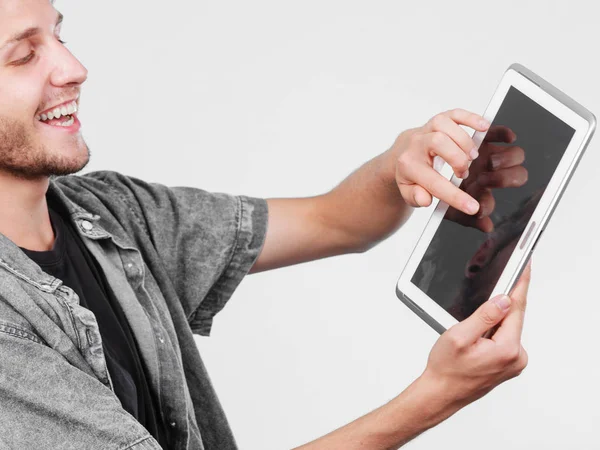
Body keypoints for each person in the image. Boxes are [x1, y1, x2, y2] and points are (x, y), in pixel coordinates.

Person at [0, 1, 530, 449]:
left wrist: (401, 163)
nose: (73, 68)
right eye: (24, 55)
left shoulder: (114, 212)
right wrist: (438, 395)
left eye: (58, 35)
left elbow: (337, 221)